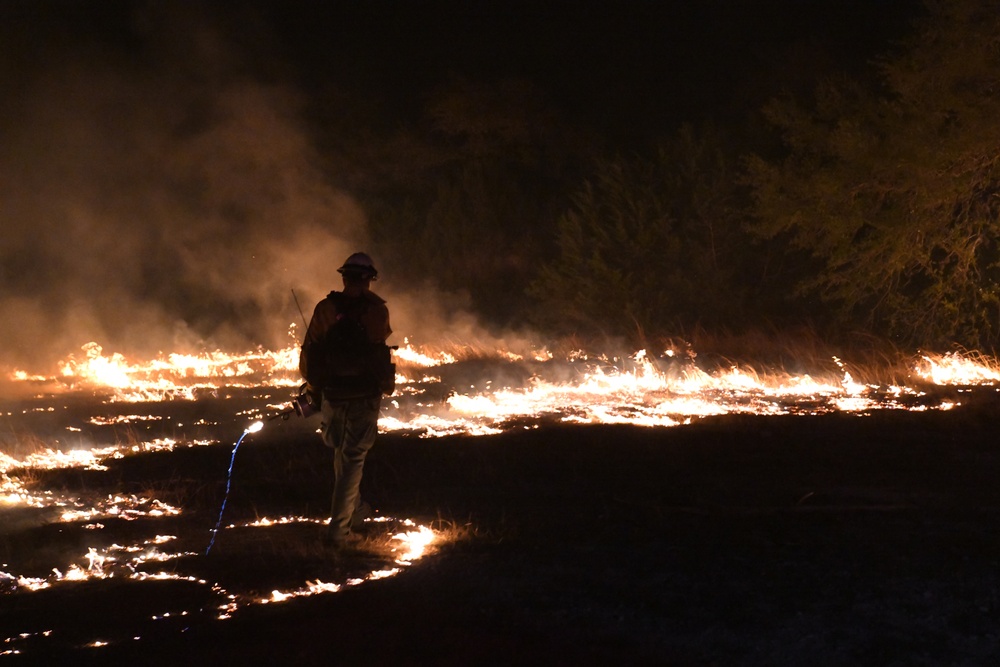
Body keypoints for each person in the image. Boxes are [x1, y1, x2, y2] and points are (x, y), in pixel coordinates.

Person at [299, 252, 393, 549]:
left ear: (343, 277)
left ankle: (354, 511)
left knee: (342, 455)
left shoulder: (325, 309)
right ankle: (339, 532)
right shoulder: (377, 311)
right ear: (368, 280)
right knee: (351, 459)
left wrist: (312, 392)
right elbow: (380, 349)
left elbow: (309, 358)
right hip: (364, 397)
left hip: (333, 396)